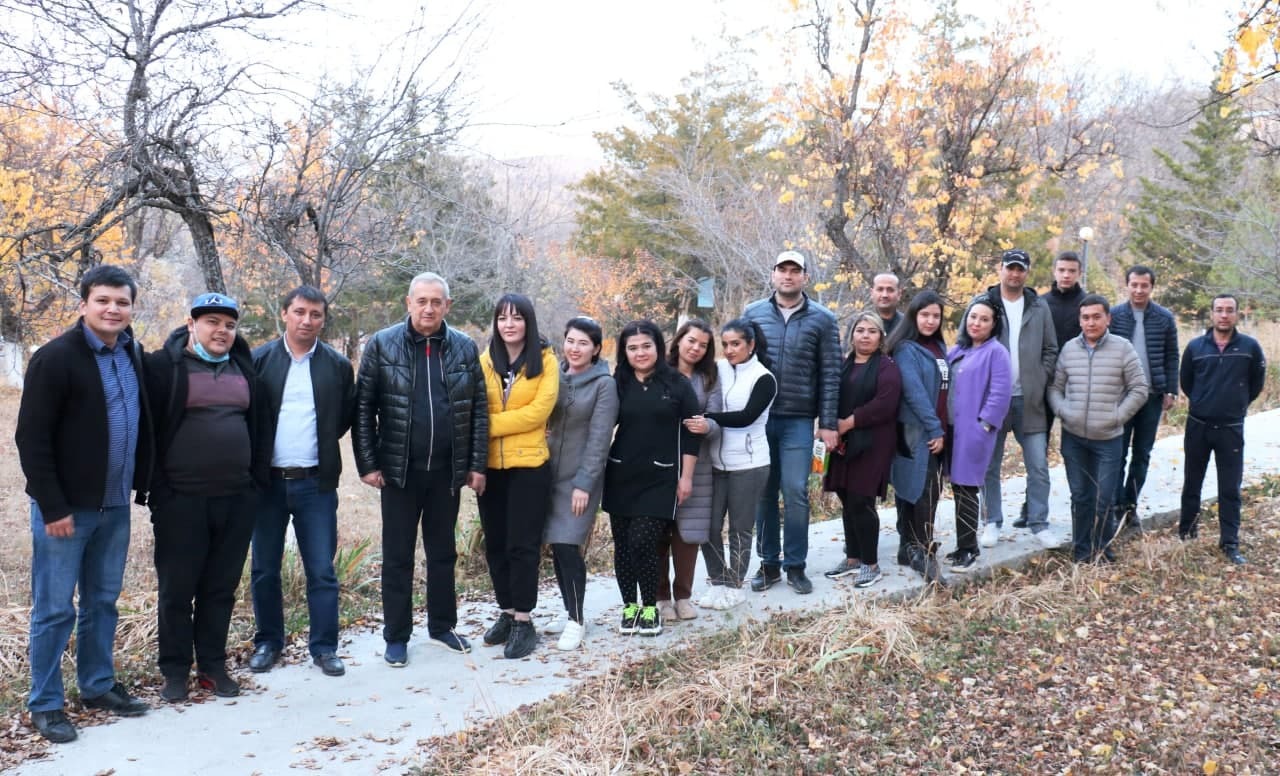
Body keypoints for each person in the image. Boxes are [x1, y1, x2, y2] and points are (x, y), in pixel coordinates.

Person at [16, 265, 154, 743]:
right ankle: (45, 703)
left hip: (115, 506)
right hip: (66, 510)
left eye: (122, 302)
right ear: (83, 305)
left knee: (102, 601)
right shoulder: (55, 358)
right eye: (103, 300)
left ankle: (97, 686)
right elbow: (32, 438)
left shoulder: (132, 354)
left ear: (131, 308)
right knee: (55, 609)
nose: (113, 309)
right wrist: (53, 506)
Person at [353, 272, 487, 666]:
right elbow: (363, 408)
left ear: (447, 306)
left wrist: (476, 464)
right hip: (400, 472)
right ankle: (396, 636)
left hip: (447, 472)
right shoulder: (383, 344)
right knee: (397, 557)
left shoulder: (464, 347)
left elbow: (479, 411)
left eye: (436, 302)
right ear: (408, 303)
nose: (429, 308)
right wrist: (368, 463)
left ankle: (442, 626)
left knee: (443, 553)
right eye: (422, 301)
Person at [145, 291, 271, 701]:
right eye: (212, 322)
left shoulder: (244, 369)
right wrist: (160, 490)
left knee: (220, 589)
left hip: (236, 500)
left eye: (229, 325)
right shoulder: (165, 368)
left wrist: (254, 485)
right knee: (177, 591)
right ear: (191, 324)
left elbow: (261, 429)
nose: (222, 331)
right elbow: (149, 431)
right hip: (181, 501)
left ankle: (213, 668)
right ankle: (175, 672)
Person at [248, 285, 355, 678]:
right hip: (267, 484)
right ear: (284, 314)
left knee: (321, 570)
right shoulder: (258, 360)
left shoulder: (337, 366)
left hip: (316, 484)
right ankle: (268, 642)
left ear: (323, 320)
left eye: (315, 314)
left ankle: (325, 648)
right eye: (299, 312)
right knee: (264, 568)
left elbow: (342, 418)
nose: (307, 320)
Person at [742, 249, 841, 595]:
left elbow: (831, 373)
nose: (788, 275)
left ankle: (795, 565)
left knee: (796, 491)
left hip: (798, 420)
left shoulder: (823, 319)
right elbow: (740, 361)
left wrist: (827, 422)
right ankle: (768, 564)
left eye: (795, 270)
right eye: (782, 269)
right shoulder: (752, 313)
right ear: (773, 274)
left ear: (805, 277)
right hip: (759, 418)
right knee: (763, 492)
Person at [602, 320, 700, 636]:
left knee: (643, 541)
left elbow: (692, 434)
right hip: (621, 474)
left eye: (646, 346)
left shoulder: (677, 384)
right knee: (623, 547)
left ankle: (650, 607)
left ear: (658, 346)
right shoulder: (617, 383)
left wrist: (686, 477)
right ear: (624, 352)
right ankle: (629, 607)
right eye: (632, 348)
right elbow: (600, 425)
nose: (640, 353)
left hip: (661, 477)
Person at [477, 294, 559, 660]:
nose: (509, 324)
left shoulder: (546, 360)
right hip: (490, 468)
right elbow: (474, 406)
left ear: (529, 322)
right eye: (502, 318)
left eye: (517, 317)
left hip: (530, 466)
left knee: (522, 545)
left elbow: (539, 413)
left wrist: (488, 425)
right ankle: (508, 612)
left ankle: (525, 620)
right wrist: (485, 427)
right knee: (495, 544)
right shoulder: (484, 361)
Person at [1047, 294, 1148, 564]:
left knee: (1104, 499)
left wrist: (1117, 416)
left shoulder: (1123, 348)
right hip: (1074, 439)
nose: (1090, 322)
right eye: (1085, 317)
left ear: (1108, 318)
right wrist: (1063, 411)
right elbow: (1055, 388)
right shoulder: (1069, 349)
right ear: (1080, 320)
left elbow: (1139, 388)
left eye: (1096, 317)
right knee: (1081, 497)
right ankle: (1081, 552)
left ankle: (1102, 551)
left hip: (1108, 439)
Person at [543, 317, 619, 650]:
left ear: (596, 349)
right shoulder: (553, 374)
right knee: (556, 546)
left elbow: (600, 438)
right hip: (546, 475)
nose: (575, 348)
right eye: (571, 341)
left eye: (583, 343)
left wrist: (584, 484)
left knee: (567, 544)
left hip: (578, 479)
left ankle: (576, 620)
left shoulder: (604, 385)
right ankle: (567, 610)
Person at [1178, 294, 1267, 564]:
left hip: (1231, 427)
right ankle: (1187, 535)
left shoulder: (1249, 347)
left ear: (1237, 314)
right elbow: (1186, 382)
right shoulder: (1196, 347)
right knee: (1192, 483)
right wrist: (1203, 401)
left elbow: (1256, 383)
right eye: (1219, 310)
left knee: (1230, 488)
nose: (1224, 315)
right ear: (1212, 314)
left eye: (1229, 310)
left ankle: (1229, 543)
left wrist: (1236, 404)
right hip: (1199, 426)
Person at [979, 249, 1058, 548]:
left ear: (1026, 272)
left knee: (1038, 465)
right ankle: (992, 521)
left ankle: (1039, 523)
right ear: (1000, 269)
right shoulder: (984, 303)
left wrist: (1039, 378)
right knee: (989, 466)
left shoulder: (1038, 306)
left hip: (1029, 400)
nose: (1014, 273)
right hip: (993, 401)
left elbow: (1051, 349)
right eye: (1009, 268)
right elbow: (967, 343)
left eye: (1020, 269)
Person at [698, 319, 778, 609]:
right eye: (725, 344)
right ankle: (718, 582)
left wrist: (708, 419)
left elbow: (746, 417)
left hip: (750, 464)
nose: (730, 350)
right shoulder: (718, 369)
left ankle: (735, 586)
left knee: (740, 530)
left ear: (751, 344)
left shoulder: (764, 378)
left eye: (736, 344)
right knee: (708, 527)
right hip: (716, 463)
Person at [821, 311, 903, 589]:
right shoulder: (845, 364)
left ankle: (871, 564)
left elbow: (885, 404)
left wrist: (849, 423)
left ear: (881, 337)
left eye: (872, 331)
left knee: (861, 500)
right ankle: (853, 558)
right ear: (852, 334)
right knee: (846, 497)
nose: (865, 336)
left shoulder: (886, 367)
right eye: (860, 330)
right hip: (843, 443)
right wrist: (829, 425)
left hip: (873, 443)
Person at [1109, 265, 1179, 537]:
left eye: (1144, 285)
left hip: (1152, 396)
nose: (1139, 290)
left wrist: (1171, 389)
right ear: (1127, 285)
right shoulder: (1114, 315)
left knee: (1142, 454)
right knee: (1117, 454)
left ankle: (1130, 505)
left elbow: (1172, 355)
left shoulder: (1164, 318)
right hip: (1122, 396)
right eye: (1134, 285)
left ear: (1151, 287)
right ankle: (1116, 505)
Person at [885, 290, 949, 584]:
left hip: (937, 428)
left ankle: (909, 548)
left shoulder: (937, 346)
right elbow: (914, 392)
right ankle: (921, 550)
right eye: (925, 315)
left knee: (928, 489)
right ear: (914, 316)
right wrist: (934, 428)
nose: (930, 320)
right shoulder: (905, 349)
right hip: (917, 430)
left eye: (936, 316)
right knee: (919, 488)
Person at [945, 298, 1013, 572]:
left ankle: (969, 549)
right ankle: (962, 545)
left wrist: (984, 425)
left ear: (993, 325)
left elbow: (1000, 393)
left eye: (984, 319)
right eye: (973, 317)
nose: (976, 323)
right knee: (958, 488)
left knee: (967, 488)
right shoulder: (958, 349)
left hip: (973, 432)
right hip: (951, 430)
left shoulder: (996, 352)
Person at [661, 320, 721, 622]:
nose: (696, 348)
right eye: (691, 341)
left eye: (703, 345)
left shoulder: (708, 378)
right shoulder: (659, 372)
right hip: (659, 461)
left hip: (696, 463)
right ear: (679, 340)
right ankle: (661, 598)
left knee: (689, 533)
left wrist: (707, 425)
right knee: (658, 531)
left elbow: (718, 417)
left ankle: (683, 596)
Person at [1044, 250, 1085, 348]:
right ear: (1054, 271)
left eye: (1072, 271)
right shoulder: (1040, 303)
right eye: (1061, 270)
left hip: (1078, 356)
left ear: (1079, 273)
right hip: (1048, 357)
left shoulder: (1088, 304)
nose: (1066, 275)